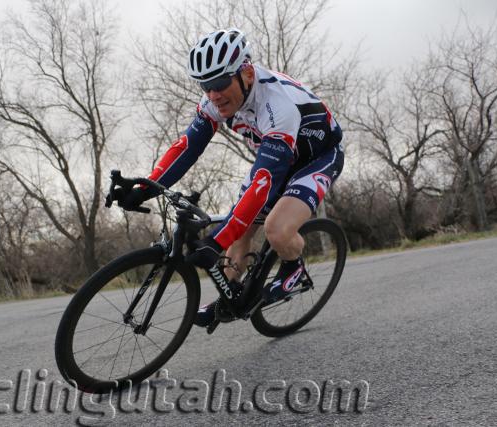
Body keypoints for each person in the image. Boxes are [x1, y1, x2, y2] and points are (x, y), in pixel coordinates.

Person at [119, 28, 344, 327]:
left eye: (221, 82)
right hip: (280, 155)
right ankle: (230, 297)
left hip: (318, 158)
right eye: (205, 85)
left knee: (276, 229)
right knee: (240, 229)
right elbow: (187, 147)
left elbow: (264, 180)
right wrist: (146, 187)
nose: (213, 94)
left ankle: (293, 270)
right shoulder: (216, 101)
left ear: (247, 73)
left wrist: (217, 240)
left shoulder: (278, 105)